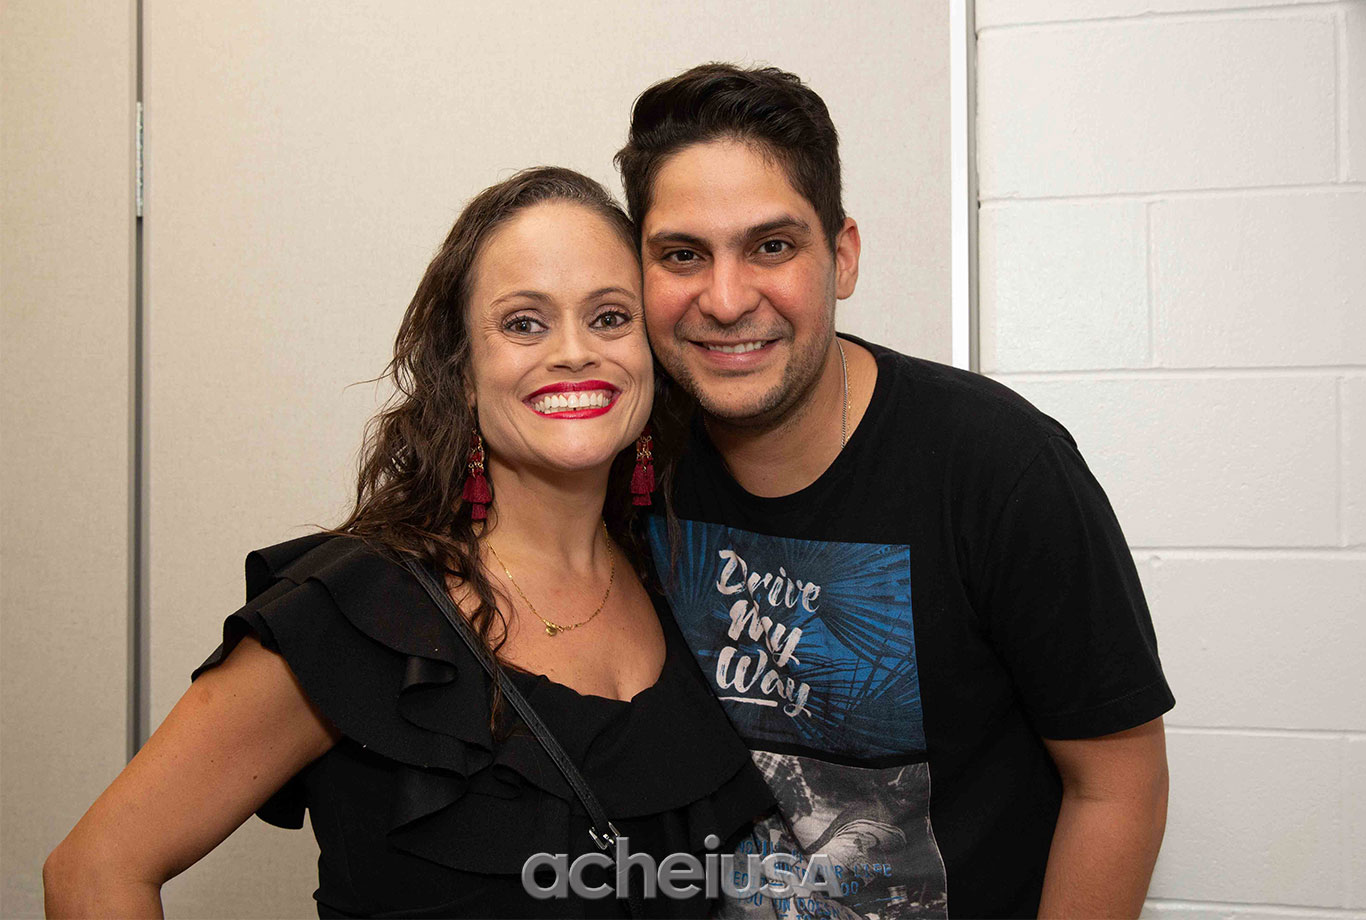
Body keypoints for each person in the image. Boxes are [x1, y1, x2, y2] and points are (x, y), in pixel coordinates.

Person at [42, 167, 775, 919]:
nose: (574, 351)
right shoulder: (357, 614)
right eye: (524, 323)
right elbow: (94, 872)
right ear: (463, 372)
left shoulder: (683, 585)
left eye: (610, 317)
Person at [615, 64, 1175, 919]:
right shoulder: (622, 459)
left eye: (772, 246)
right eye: (683, 255)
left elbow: (1119, 784)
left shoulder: (998, 466)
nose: (725, 300)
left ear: (841, 258)